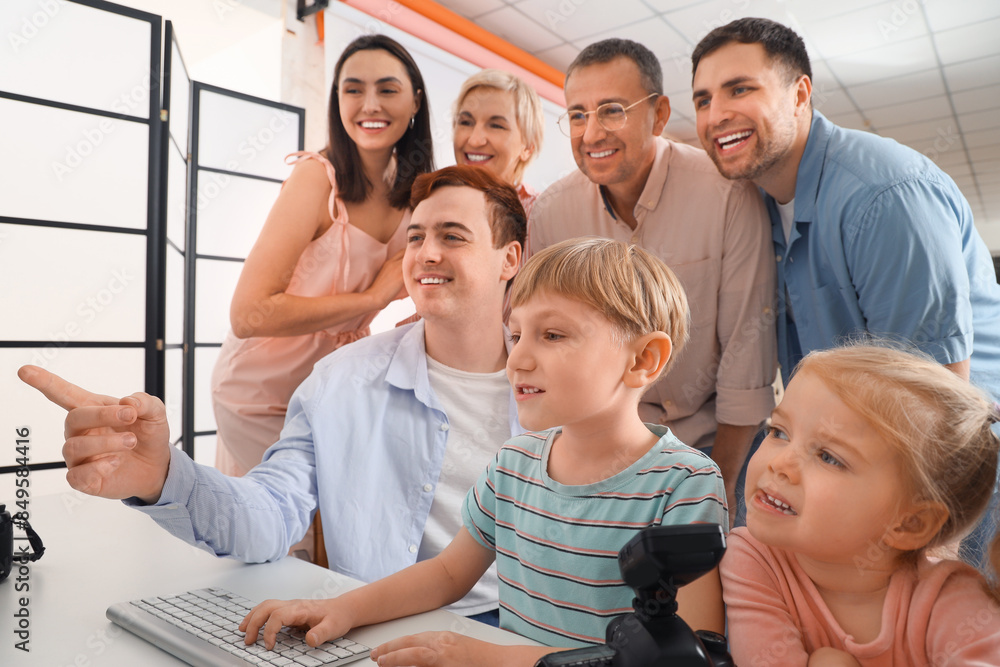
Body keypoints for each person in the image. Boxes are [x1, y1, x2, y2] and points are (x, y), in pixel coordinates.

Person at [18, 165, 525, 623]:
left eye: (452, 236)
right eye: (415, 238)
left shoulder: (562, 390)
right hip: (377, 629)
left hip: (519, 628)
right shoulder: (342, 381)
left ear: (510, 259)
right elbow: (271, 515)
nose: (426, 253)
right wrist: (164, 477)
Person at [239, 238, 728, 665]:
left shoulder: (683, 485)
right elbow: (448, 573)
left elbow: (690, 651)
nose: (518, 358)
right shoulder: (514, 465)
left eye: (552, 335)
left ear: (644, 359)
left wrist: (492, 659)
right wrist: (340, 607)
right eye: (515, 334)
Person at [690, 16, 1000, 563]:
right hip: (866, 460)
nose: (717, 115)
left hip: (958, 481)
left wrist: (929, 551)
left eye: (741, 89)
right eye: (703, 99)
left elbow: (936, 401)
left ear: (800, 94)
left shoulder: (883, 194)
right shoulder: (754, 204)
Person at [529, 38, 777, 523]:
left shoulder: (726, 193)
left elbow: (746, 361)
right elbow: (545, 346)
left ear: (659, 115)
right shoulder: (553, 212)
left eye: (612, 110)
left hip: (708, 448)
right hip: (589, 453)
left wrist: (717, 490)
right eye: (577, 115)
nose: (591, 132)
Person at [211, 34, 434, 479]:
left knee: (329, 533)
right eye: (353, 89)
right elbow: (249, 314)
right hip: (261, 391)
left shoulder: (414, 192)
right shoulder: (317, 178)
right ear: (337, 101)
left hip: (333, 384)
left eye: (387, 90)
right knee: (282, 533)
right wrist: (371, 300)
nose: (369, 104)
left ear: (415, 103)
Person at [721, 344, 1000, 665]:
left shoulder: (956, 604)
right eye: (779, 432)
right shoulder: (753, 558)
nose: (780, 463)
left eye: (829, 457)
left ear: (911, 523)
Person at [452, 69, 544, 218]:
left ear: (527, 147)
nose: (474, 140)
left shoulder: (541, 215)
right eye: (466, 122)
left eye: (496, 126)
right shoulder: (428, 201)